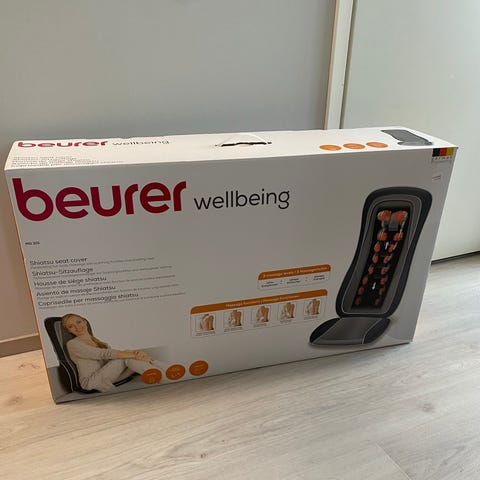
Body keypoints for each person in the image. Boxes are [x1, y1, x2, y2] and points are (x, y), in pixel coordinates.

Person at [61, 313, 163, 392]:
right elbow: (102, 354)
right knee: (128, 356)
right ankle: (162, 375)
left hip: (108, 376)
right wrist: (133, 354)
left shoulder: (101, 343)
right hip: (91, 381)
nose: (77, 327)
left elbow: (111, 360)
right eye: (71, 326)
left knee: (130, 357)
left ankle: (162, 373)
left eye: (78, 322)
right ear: (69, 331)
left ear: (84, 322)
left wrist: (136, 354)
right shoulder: (73, 344)